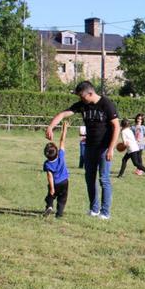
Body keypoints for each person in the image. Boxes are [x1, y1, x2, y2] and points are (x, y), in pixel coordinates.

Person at [46, 81, 120, 220]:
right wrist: (51, 126)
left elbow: (116, 126)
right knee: (89, 179)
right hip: (89, 147)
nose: (81, 99)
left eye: (82, 96)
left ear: (90, 93)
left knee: (104, 179)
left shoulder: (107, 104)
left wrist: (111, 148)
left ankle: (105, 212)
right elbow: (63, 114)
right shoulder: (83, 105)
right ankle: (94, 209)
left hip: (104, 148)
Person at [43, 121, 70, 218]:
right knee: (62, 199)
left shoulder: (47, 164)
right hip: (64, 182)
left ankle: (49, 206)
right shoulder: (61, 156)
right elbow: (62, 140)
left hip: (55, 183)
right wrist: (64, 128)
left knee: (50, 196)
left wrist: (52, 188)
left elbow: (49, 176)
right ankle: (59, 214)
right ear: (57, 152)